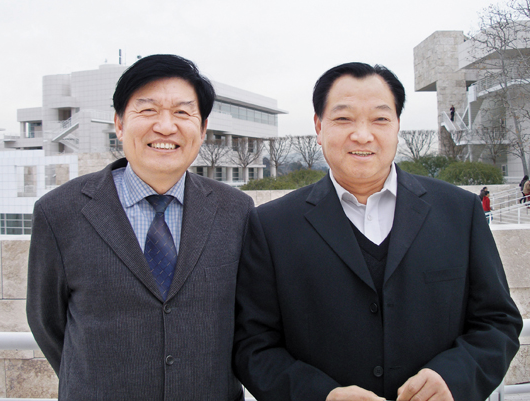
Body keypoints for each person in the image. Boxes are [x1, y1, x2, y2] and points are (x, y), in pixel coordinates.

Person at [234, 62, 522, 401]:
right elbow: (253, 345)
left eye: (380, 119)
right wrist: (321, 395)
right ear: (319, 126)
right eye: (344, 118)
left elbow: (497, 321)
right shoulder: (272, 226)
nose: (362, 135)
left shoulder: (459, 212)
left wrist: (454, 378)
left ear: (398, 125)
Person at [27, 54, 253, 400]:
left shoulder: (235, 210)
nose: (165, 126)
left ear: (203, 128)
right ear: (119, 124)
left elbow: (248, 320)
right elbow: (47, 323)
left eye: (182, 113)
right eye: (148, 110)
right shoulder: (60, 212)